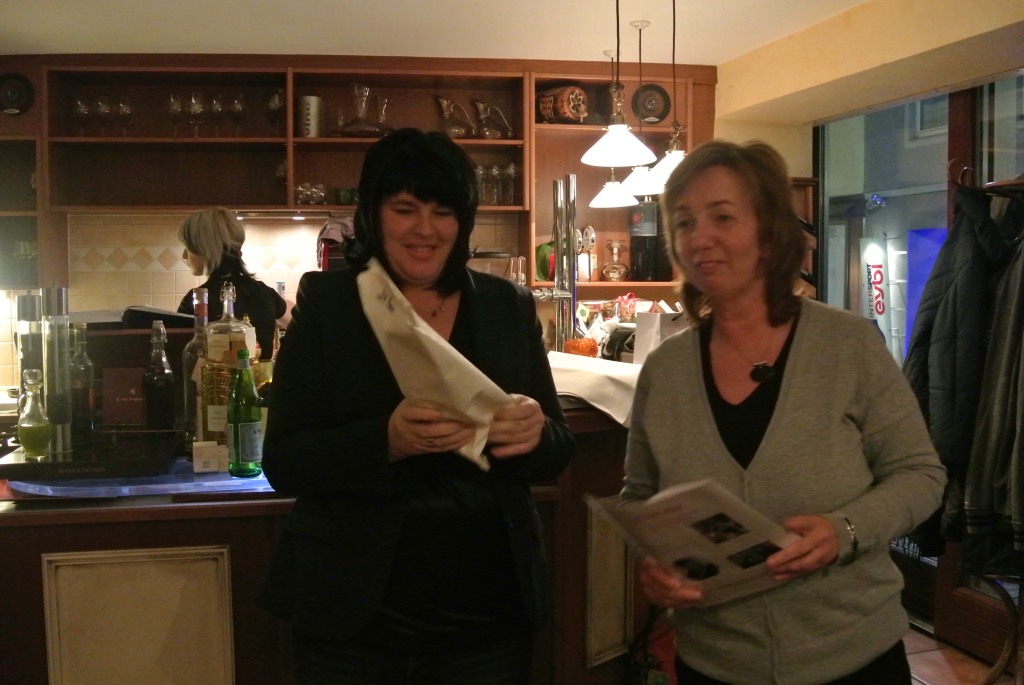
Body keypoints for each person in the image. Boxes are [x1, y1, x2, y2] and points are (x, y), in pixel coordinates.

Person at [621, 139, 946, 684]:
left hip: (853, 656)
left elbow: (921, 475)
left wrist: (845, 530)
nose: (699, 238)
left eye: (722, 217)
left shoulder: (847, 344)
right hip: (714, 662)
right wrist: (653, 564)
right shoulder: (665, 369)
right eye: (683, 222)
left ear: (769, 233)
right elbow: (640, 499)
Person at [258, 128, 574, 685]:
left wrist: (536, 433)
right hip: (355, 619)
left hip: (488, 614)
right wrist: (386, 441)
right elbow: (284, 459)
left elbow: (555, 449)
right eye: (405, 209)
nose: (424, 229)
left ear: (463, 221)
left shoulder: (506, 306)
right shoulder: (330, 304)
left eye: (442, 212)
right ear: (373, 214)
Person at [176, 207, 287, 357]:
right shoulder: (264, 292)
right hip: (262, 373)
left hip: (213, 373)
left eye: (188, 248)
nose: (184, 255)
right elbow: (298, 323)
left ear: (205, 250)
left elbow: (181, 355)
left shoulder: (198, 300)